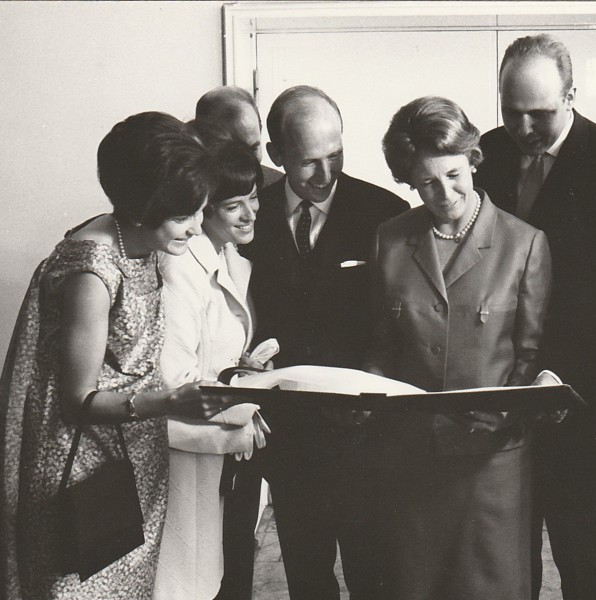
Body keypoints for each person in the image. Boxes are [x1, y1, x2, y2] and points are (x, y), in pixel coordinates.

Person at [0, 112, 237, 599]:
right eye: (182, 216)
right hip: (77, 474)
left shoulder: (143, 238)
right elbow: (77, 402)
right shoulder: (92, 270)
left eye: (200, 211)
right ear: (141, 207)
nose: (196, 227)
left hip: (131, 463)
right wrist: (170, 402)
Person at [365, 95, 552, 600]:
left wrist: (505, 414)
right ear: (408, 180)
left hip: (491, 462)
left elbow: (530, 356)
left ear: (472, 160)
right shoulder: (389, 239)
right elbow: (381, 347)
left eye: (453, 174)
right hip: (412, 456)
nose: (443, 192)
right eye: (426, 182)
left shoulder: (524, 243)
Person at [238, 85, 408, 600]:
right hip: (286, 436)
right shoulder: (249, 215)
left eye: (335, 154)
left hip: (366, 434)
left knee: (374, 576)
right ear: (275, 156)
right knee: (307, 576)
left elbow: (401, 323)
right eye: (309, 162)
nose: (326, 174)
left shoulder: (386, 212)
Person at [473, 34, 596, 599]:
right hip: (500, 389)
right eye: (511, 112)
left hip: (579, 397)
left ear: (571, 97)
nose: (524, 128)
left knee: (584, 554)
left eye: (539, 113)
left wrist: (563, 373)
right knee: (505, 556)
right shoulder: (484, 155)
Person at [153, 124, 269, 600]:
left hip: (218, 457)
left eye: (254, 197)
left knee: (211, 574)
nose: (250, 213)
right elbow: (172, 386)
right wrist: (242, 412)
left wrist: (242, 371)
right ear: (204, 207)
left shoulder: (230, 259)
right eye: (232, 204)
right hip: (183, 457)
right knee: (183, 581)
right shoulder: (181, 268)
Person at [196, 85, 283, 188]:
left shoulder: (278, 188)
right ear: (204, 142)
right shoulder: (192, 193)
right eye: (235, 153)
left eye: (254, 148)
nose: (248, 162)